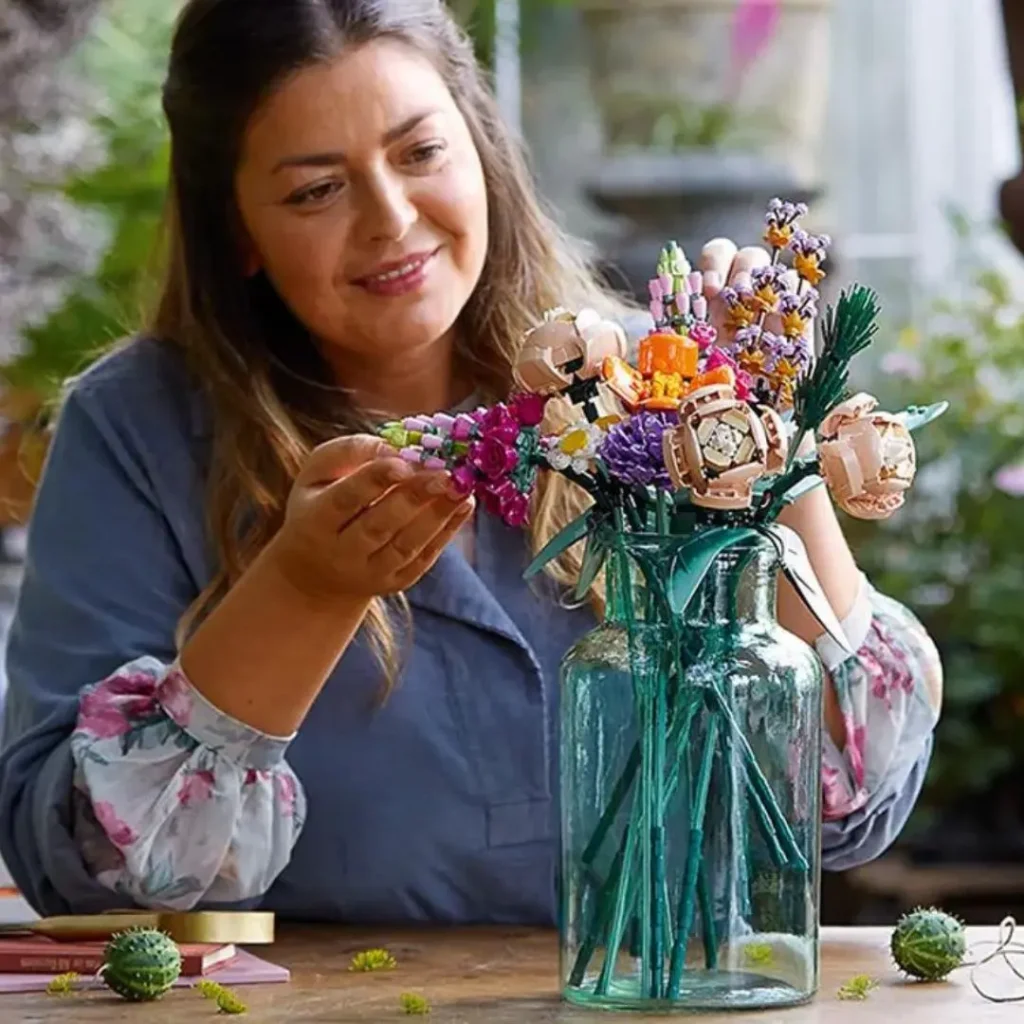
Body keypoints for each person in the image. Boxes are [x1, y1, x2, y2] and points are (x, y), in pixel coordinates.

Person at [0, 0, 942, 921]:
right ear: (237, 227)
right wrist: (302, 592)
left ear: (482, 148)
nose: (390, 219)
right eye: (316, 189)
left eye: (420, 153)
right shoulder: (139, 430)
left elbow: (853, 811)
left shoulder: (665, 386)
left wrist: (767, 438)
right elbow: (75, 872)